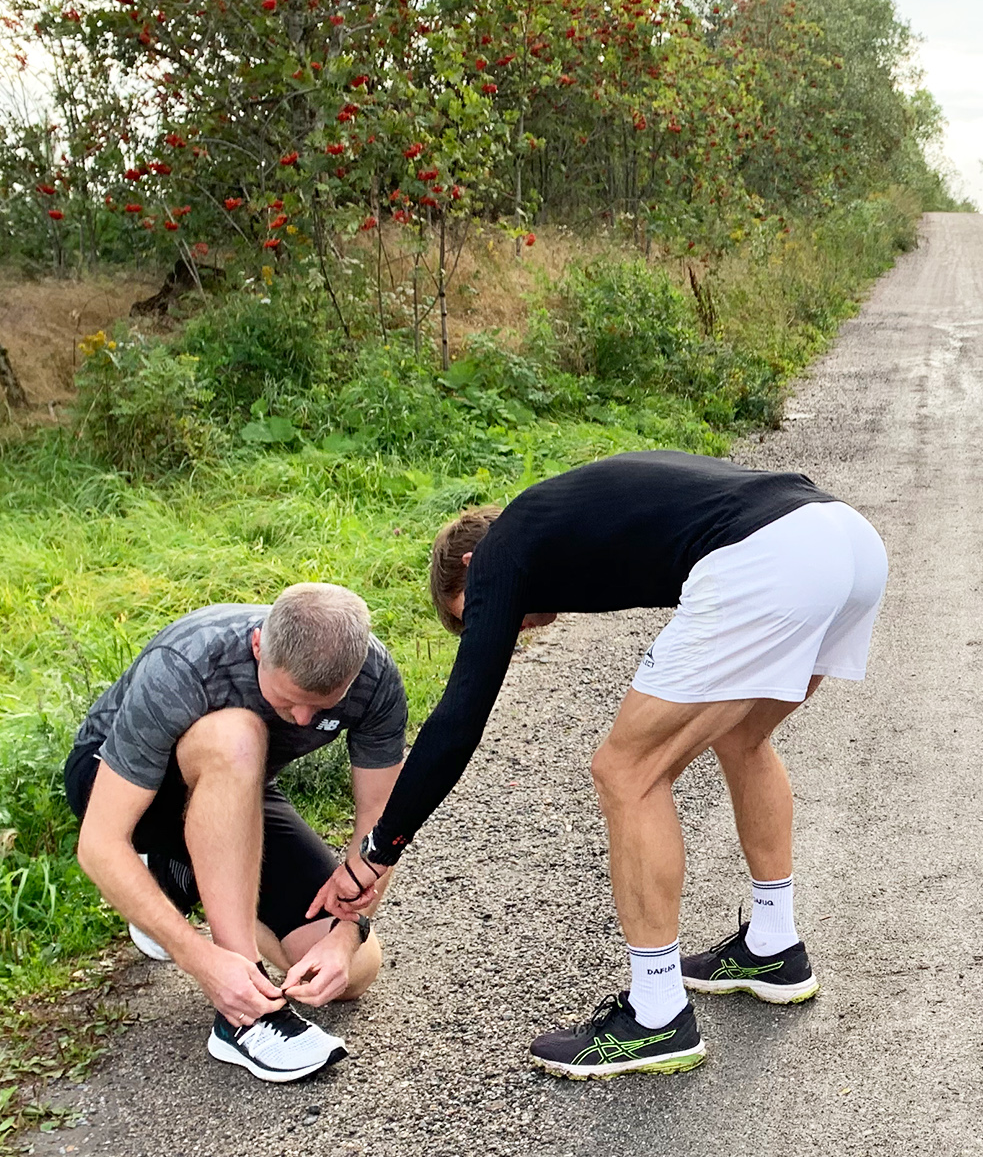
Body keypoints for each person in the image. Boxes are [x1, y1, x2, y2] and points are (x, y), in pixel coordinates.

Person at [310, 449, 887, 1080]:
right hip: (847, 541)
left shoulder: (504, 549)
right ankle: (774, 947)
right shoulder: (560, 520)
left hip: (775, 558)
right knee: (743, 738)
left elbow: (456, 724)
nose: (508, 627)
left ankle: (657, 1014)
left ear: (472, 569)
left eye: (469, 612)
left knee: (627, 771)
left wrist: (379, 847)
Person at [69, 584, 405, 1083]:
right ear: (257, 648)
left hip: (234, 793)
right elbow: (98, 845)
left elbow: (380, 822)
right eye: (290, 701)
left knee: (354, 972)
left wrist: (346, 935)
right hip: (126, 794)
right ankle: (242, 1017)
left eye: (322, 707)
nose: (303, 720)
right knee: (240, 733)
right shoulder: (186, 665)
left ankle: (179, 876)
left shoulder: (374, 678)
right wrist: (200, 957)